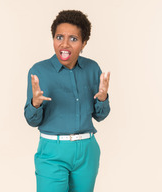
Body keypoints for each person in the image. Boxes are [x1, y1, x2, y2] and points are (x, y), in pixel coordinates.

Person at [24, 10, 110, 192]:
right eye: (59, 37)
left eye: (73, 39)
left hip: (87, 150)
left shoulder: (92, 68)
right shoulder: (39, 71)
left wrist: (102, 99)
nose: (64, 44)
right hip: (52, 151)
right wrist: (35, 103)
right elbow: (32, 120)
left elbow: (100, 116)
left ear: (84, 43)